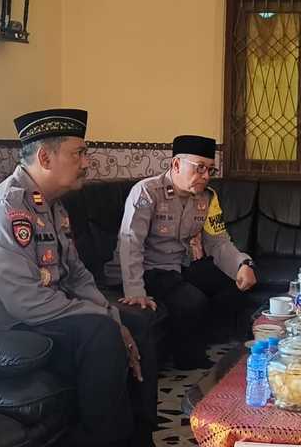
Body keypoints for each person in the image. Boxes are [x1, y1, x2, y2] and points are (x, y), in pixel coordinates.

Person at [0, 108, 196, 447]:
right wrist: (105, 320)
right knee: (100, 332)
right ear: (45, 157)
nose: (87, 163)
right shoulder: (0, 211)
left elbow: (77, 275)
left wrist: (111, 312)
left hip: (30, 318)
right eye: (79, 154)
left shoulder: (50, 206)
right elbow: (27, 302)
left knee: (135, 320)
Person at [104, 135, 257, 370]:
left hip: (177, 266)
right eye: (200, 168)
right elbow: (130, 243)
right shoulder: (147, 191)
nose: (206, 176)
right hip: (147, 268)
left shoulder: (206, 198)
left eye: (210, 170)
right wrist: (134, 290)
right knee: (191, 301)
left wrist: (242, 265)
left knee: (233, 283)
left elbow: (218, 242)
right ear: (176, 164)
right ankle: (189, 362)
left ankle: (213, 344)